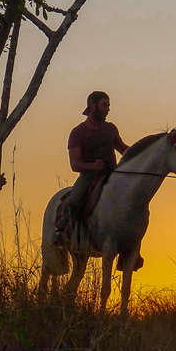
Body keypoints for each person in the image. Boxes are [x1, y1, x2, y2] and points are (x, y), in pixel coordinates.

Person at [54, 91, 129, 242]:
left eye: (109, 105)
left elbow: (122, 149)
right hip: (89, 176)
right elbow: (75, 165)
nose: (108, 109)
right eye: (104, 105)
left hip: (112, 173)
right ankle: (61, 231)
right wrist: (93, 166)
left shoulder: (110, 129)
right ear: (93, 106)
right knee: (74, 200)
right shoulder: (78, 132)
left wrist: (140, 154)